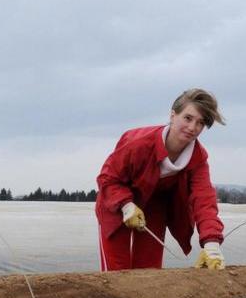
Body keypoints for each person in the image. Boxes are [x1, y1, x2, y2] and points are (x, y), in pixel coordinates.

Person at [95, 89, 227, 271]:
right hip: (117, 204)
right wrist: (126, 205)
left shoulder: (198, 158)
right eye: (188, 118)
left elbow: (204, 201)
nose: (192, 128)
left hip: (155, 206)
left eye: (200, 123)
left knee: (149, 271)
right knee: (117, 271)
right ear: (173, 115)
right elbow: (108, 178)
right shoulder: (138, 143)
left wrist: (212, 243)